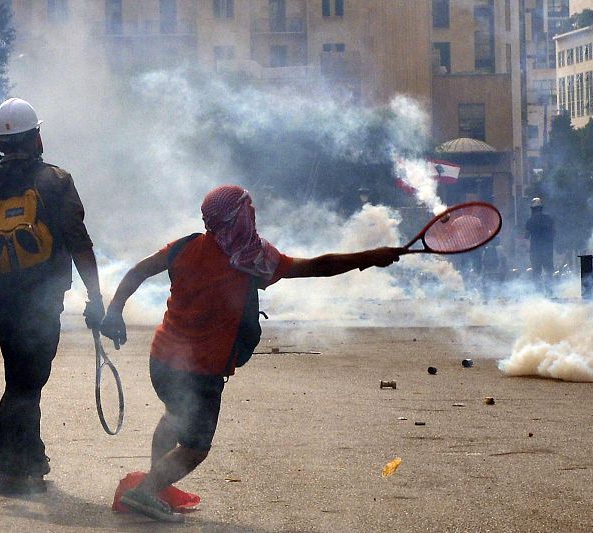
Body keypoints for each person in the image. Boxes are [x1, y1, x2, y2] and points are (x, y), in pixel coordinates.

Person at [99, 185, 402, 522]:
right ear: (239, 218)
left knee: (173, 416)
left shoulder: (186, 246)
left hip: (162, 360)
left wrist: (114, 311)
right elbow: (319, 266)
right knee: (195, 448)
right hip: (201, 372)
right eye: (248, 210)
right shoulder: (252, 261)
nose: (253, 215)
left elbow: (139, 270)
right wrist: (370, 257)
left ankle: (156, 486)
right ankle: (146, 492)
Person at [0, 98, 104, 495]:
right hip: (42, 295)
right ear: (35, 136)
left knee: (22, 373)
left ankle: (30, 460)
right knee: (27, 379)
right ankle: (8, 469)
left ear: (1, 141)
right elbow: (79, 241)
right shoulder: (56, 180)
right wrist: (96, 296)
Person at [524, 197, 555, 293]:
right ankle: (550, 291)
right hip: (547, 250)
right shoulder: (549, 218)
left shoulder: (530, 221)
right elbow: (554, 233)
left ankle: (538, 293)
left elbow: (526, 236)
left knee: (536, 272)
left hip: (535, 250)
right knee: (549, 271)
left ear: (532, 209)